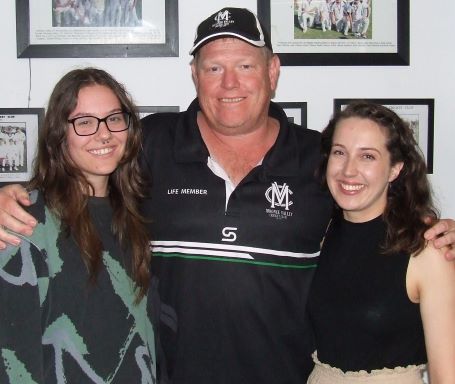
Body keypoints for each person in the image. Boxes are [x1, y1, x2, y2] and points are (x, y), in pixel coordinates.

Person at [0, 8, 455, 384]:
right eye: (214, 68)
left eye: (244, 66)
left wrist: (438, 232)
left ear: (272, 72)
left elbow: (378, 213)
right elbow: (81, 164)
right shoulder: (150, 143)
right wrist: (10, 195)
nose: (229, 83)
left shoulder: (319, 160)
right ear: (194, 74)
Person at [0, 68, 156, 383]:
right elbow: (12, 360)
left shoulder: (136, 216)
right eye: (84, 122)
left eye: (114, 118)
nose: (104, 134)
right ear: (59, 136)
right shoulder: (26, 223)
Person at [307, 102, 455, 383]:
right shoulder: (321, 232)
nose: (348, 171)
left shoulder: (426, 250)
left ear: (395, 169)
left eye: (368, 157)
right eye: (340, 153)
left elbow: (446, 376)